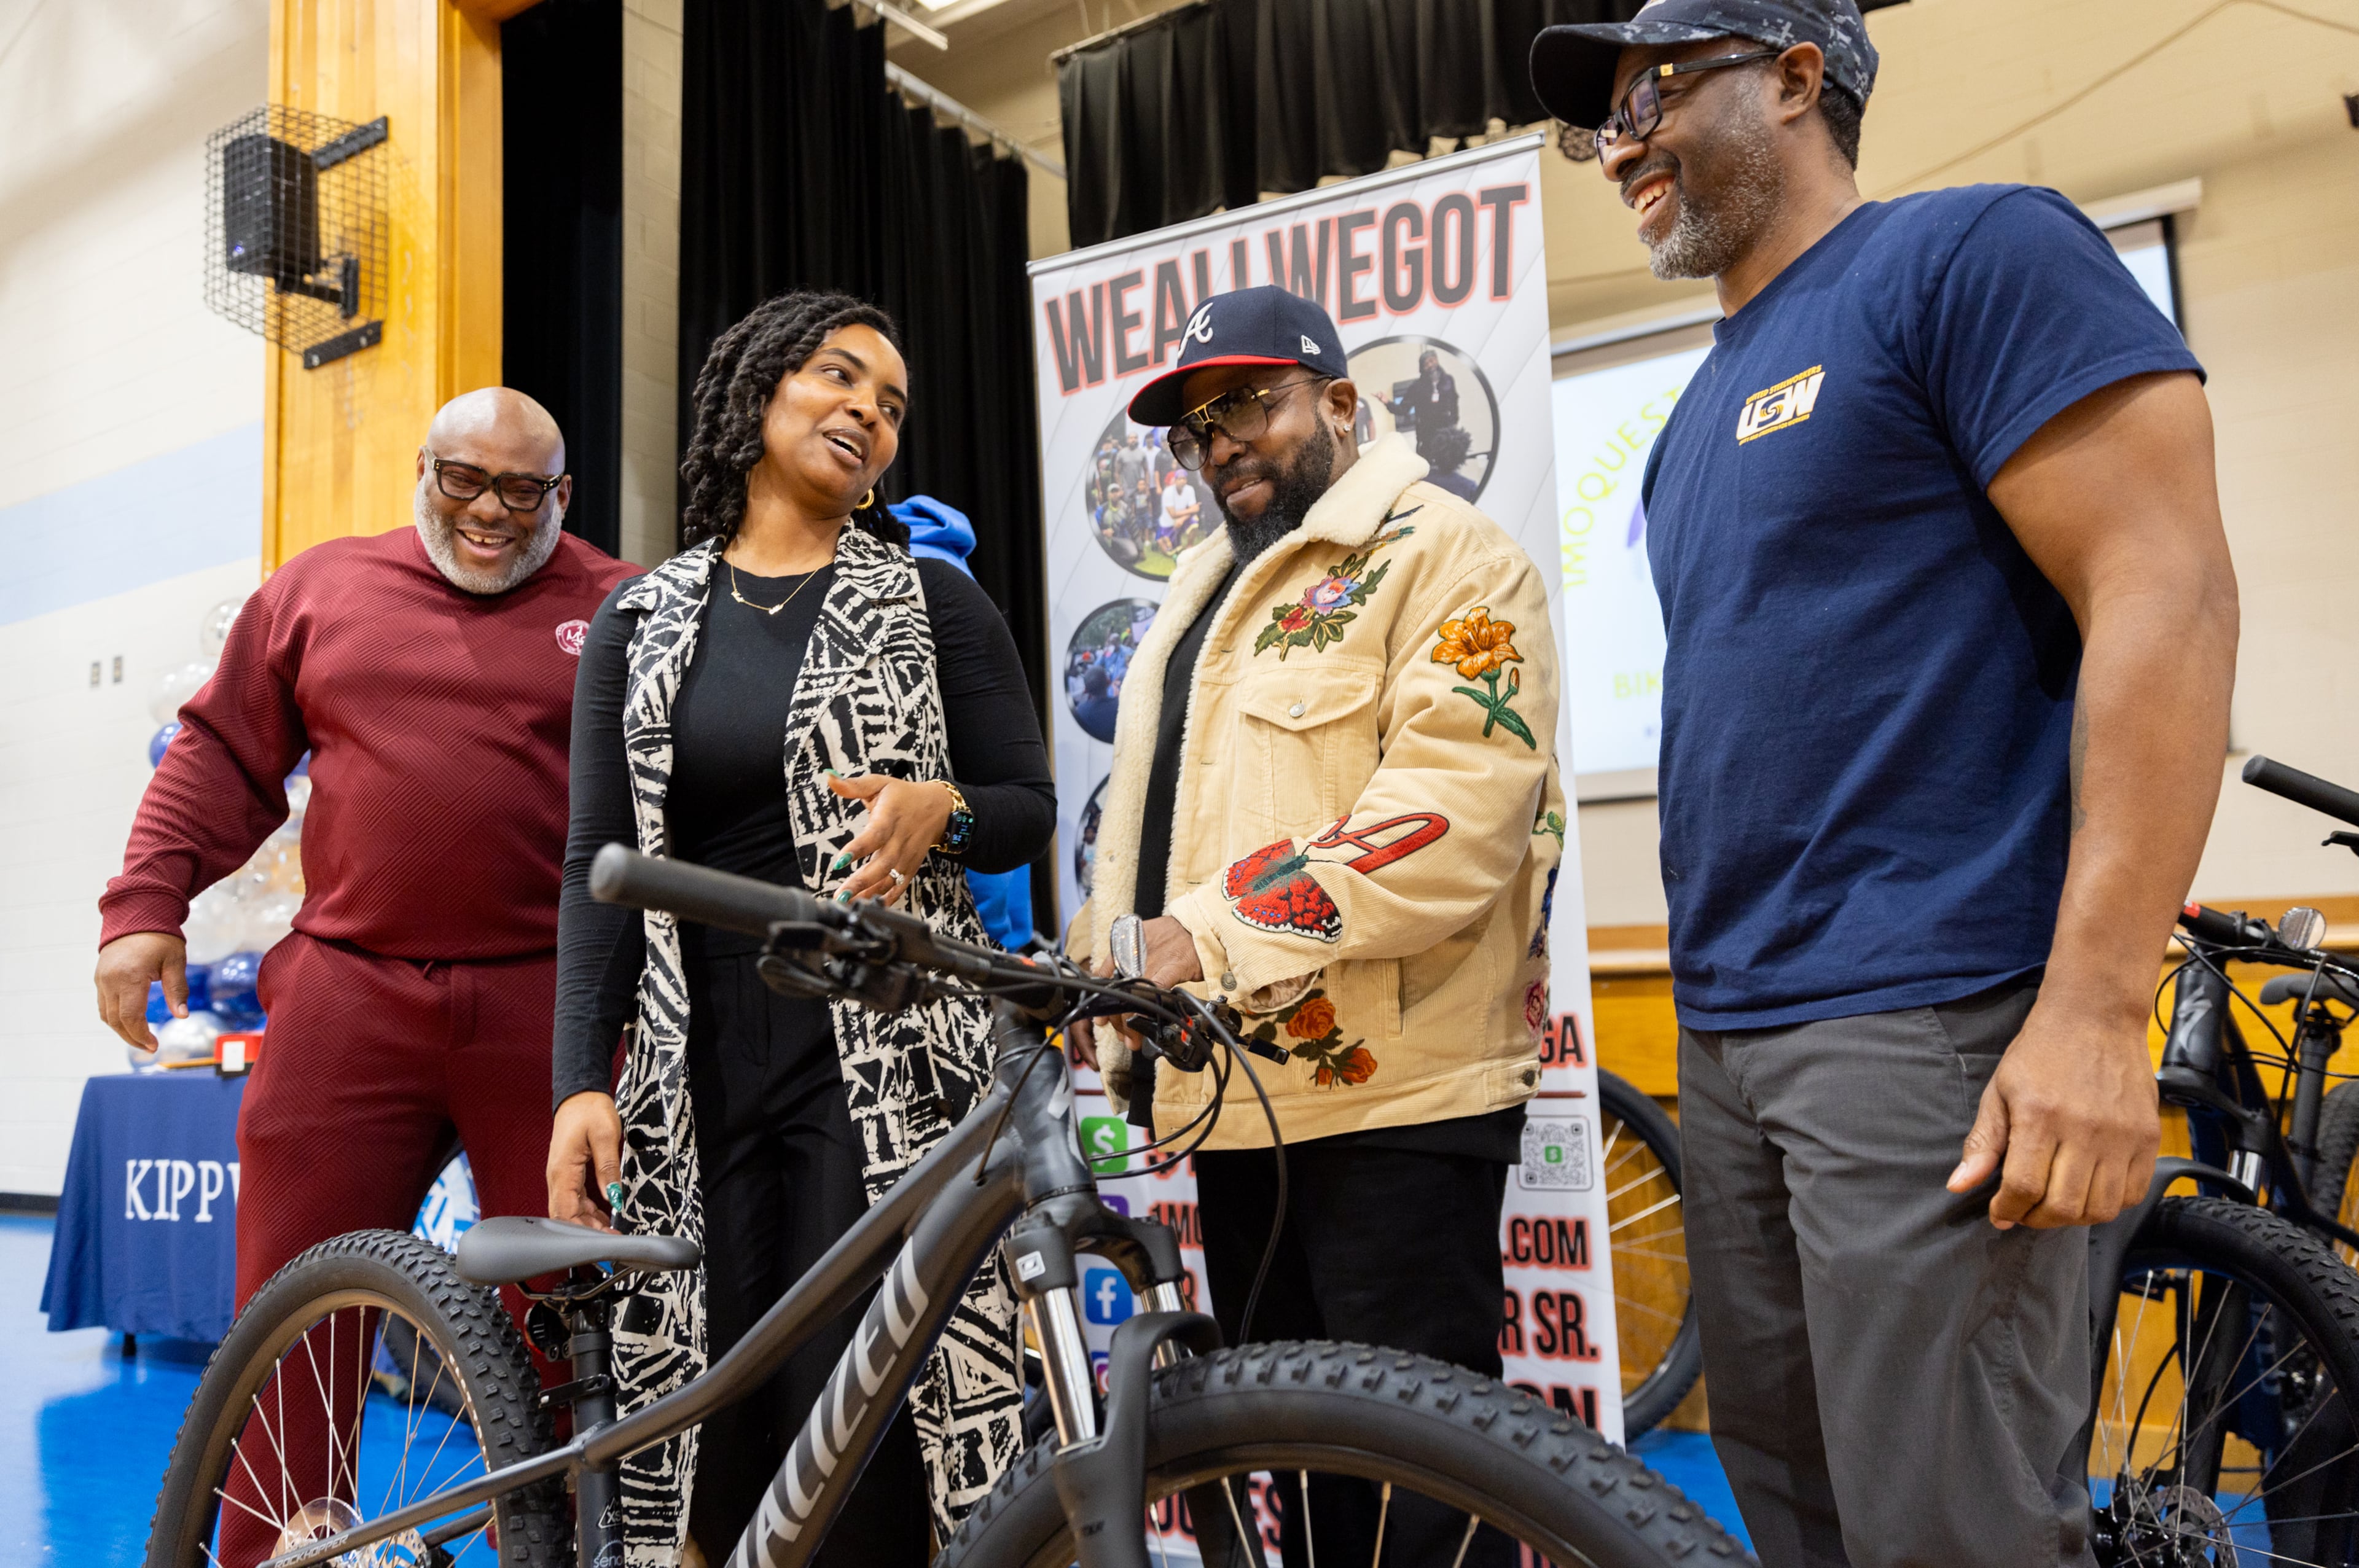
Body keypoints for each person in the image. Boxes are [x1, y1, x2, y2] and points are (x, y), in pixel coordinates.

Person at [1530, 4, 2238, 1564]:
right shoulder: (1691, 418)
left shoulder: (1970, 253)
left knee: (1948, 1531)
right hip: (1727, 1035)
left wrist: (2093, 1009)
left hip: (1927, 1016)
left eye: (1648, 91)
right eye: (1600, 121)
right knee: (1798, 1515)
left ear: (1796, 79)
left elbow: (2163, 589)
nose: (1618, 140)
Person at [548, 291, 1052, 1565]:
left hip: (881, 1048)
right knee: (707, 1389)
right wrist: (577, 1084)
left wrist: (941, 809)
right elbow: (595, 868)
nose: (869, 416)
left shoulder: (934, 602)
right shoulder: (639, 620)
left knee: (868, 1384)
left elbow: (1027, 810)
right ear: (762, 388)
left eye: (891, 406)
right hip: (691, 1056)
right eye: (841, 378)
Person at [1067, 284, 1563, 1566]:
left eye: (1249, 404)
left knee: (1417, 1492)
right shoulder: (1203, 593)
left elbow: (1455, 815)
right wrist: (1101, 958)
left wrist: (1208, 933)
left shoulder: (1451, 553)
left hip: (1402, 1102)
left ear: (1342, 401)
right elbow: (1165, 825)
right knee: (1300, 1464)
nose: (1218, 441)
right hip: (1242, 1107)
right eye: (1193, 426)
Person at [93, 387, 632, 1564]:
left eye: (523, 488)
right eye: (465, 480)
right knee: (293, 1312)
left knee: (572, 1318)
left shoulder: (621, 605)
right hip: (350, 987)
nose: (491, 511)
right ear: (424, 471)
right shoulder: (320, 589)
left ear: (563, 496)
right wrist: (144, 906)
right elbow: (223, 752)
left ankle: (558, 1546)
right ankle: (274, 1552)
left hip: (549, 1003)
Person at [896, 491, 1039, 950]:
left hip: (952, 934)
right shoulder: (944, 562)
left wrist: (996, 938)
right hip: (987, 922)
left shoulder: (915, 576)